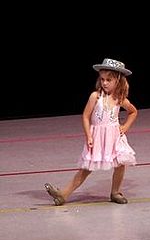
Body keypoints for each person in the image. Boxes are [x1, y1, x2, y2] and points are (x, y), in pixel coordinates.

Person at [44, 58, 138, 205]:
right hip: (97, 138)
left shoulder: (120, 99)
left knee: (120, 164)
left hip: (114, 138)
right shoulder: (96, 96)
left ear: (118, 81)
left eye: (109, 80)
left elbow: (133, 112)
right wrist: (89, 135)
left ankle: (115, 192)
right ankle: (64, 194)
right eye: (102, 79)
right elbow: (86, 116)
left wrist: (125, 126)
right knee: (86, 168)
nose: (104, 83)